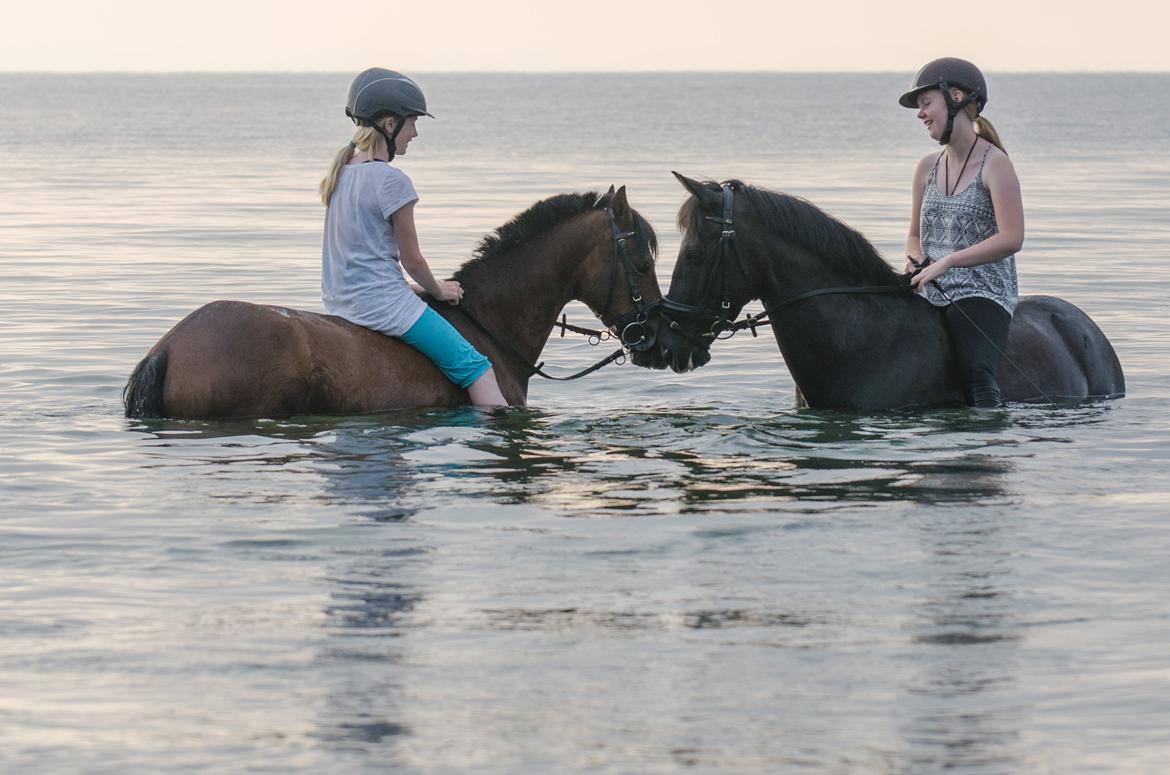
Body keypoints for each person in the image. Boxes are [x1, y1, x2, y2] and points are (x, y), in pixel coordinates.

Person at [318, 67, 507, 407]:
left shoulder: (341, 174)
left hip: (340, 302)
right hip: (383, 309)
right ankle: (493, 451)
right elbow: (413, 261)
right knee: (477, 369)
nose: (415, 133)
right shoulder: (392, 181)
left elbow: (357, 259)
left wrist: (413, 288)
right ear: (389, 124)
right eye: (412, 122)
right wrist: (437, 289)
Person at [900, 57, 1024, 408]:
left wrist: (948, 262)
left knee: (978, 375)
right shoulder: (926, 167)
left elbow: (1012, 237)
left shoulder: (995, 164)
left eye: (926, 103)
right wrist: (914, 262)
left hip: (983, 292)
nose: (920, 114)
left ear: (955, 97)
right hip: (930, 288)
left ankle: (987, 444)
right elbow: (913, 234)